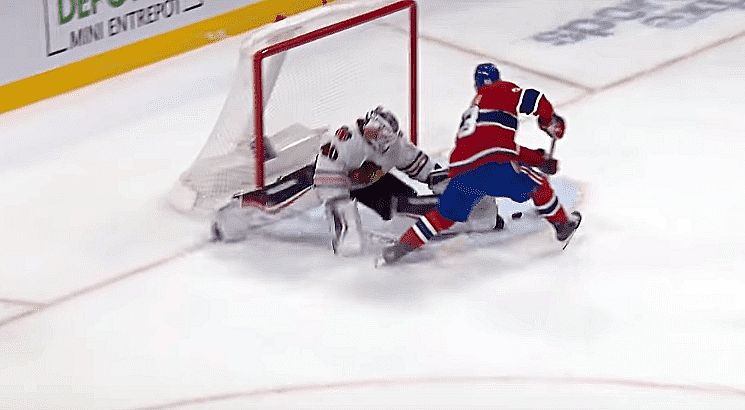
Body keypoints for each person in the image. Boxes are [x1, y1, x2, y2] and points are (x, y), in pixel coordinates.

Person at [212, 106, 502, 255]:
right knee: (274, 202)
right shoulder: (345, 138)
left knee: (406, 208)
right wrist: (343, 217)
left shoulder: (395, 146)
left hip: (368, 183)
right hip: (325, 178)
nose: (380, 141)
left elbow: (426, 169)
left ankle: (473, 214)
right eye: (376, 134)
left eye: (386, 137)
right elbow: (327, 174)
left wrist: (455, 187)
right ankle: (229, 216)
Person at [378, 63, 581, 265]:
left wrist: (538, 159)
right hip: (491, 166)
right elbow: (534, 100)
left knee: (441, 217)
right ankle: (563, 224)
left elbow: (501, 147)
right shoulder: (500, 89)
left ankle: (400, 248)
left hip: (462, 172)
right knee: (537, 183)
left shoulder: (473, 110)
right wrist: (549, 121)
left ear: (476, 84)